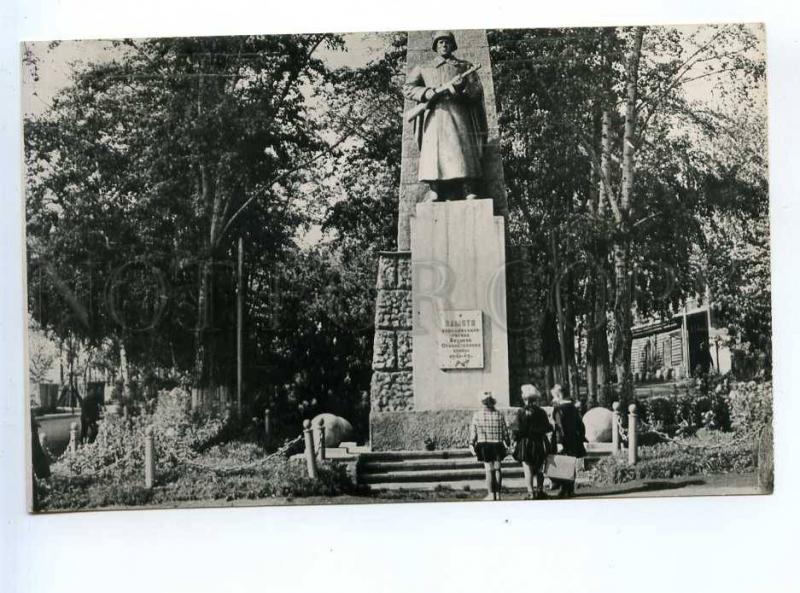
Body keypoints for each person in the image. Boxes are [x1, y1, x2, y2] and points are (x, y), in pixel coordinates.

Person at [403, 30, 487, 201]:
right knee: (434, 151)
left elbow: (477, 91)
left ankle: (468, 188)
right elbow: (408, 88)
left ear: (452, 45)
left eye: (447, 41)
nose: (444, 44)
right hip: (434, 114)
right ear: (435, 46)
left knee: (463, 149)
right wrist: (429, 93)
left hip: (459, 112)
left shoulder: (464, 66)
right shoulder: (424, 67)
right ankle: (435, 189)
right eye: (440, 42)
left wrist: (462, 88)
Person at [512, 385, 552, 499]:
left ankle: (530, 492)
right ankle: (540, 490)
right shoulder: (541, 412)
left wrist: (515, 440)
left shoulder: (521, 412)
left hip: (526, 443)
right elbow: (547, 427)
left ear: (524, 398)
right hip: (539, 442)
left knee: (527, 467)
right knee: (539, 468)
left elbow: (518, 429)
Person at [470, 390, 511, 501]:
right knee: (498, 469)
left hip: (484, 445)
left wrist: (471, 443)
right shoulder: (499, 414)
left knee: (489, 469)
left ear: (482, 402)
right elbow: (505, 432)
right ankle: (498, 494)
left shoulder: (477, 415)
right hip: (497, 444)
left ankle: (490, 494)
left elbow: (474, 432)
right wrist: (508, 443)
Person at [550, 384, 586, 498]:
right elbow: (581, 425)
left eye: (554, 396)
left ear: (559, 395)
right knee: (571, 463)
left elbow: (559, 427)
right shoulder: (573, 408)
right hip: (574, 439)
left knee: (562, 463)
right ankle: (570, 488)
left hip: (563, 440)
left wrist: (559, 442)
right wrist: (580, 437)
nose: (553, 399)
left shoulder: (558, 409)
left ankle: (563, 488)